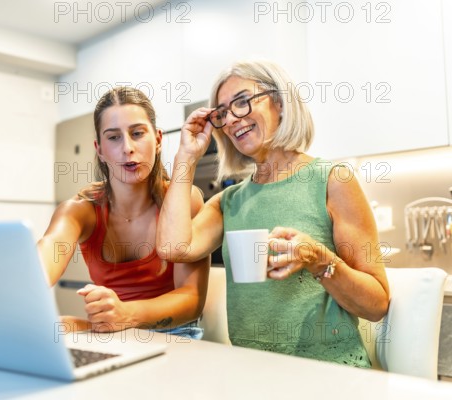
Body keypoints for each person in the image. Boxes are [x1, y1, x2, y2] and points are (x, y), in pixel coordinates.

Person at [157, 60, 390, 366]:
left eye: (242, 102)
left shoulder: (332, 180)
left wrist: (319, 260)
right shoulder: (229, 202)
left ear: (280, 103)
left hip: (329, 372)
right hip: (253, 371)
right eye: (223, 112)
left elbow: (377, 304)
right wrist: (185, 156)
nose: (231, 120)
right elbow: (171, 247)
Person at [38, 86, 209, 339]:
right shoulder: (79, 210)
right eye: (113, 137)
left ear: (158, 139)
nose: (127, 147)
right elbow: (45, 256)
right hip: (113, 334)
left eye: (137, 133)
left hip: (175, 334)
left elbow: (191, 298)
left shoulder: (185, 200)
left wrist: (124, 314)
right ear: (99, 149)